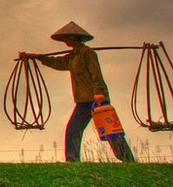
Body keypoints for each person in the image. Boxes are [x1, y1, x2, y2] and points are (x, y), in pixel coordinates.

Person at [21, 21, 135, 162]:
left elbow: (96, 73)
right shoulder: (73, 56)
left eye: (68, 38)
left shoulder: (87, 53)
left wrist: (98, 92)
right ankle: (72, 161)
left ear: (75, 38)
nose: (66, 41)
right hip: (82, 101)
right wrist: (39, 57)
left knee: (111, 131)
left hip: (96, 98)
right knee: (73, 129)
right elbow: (59, 63)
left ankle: (128, 160)